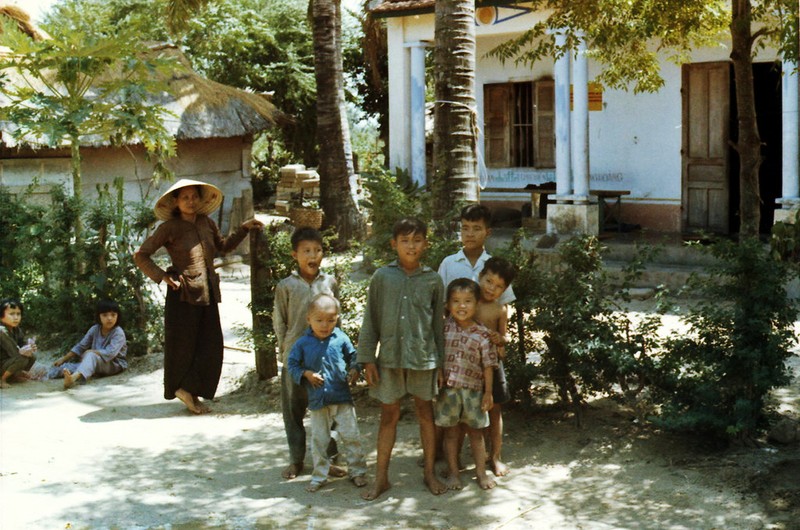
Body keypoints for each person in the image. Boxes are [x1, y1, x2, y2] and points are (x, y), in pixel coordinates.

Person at [134, 179, 263, 414]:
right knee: (183, 345)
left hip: (208, 292)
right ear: (176, 201)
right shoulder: (169, 227)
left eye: (194, 197)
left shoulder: (207, 223)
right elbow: (141, 255)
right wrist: (163, 276)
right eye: (185, 197)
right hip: (182, 294)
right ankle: (182, 390)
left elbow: (223, 247)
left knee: (209, 345)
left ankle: (191, 390)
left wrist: (244, 228)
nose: (191, 201)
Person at [357, 217, 448, 500]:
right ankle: (381, 478)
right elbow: (370, 320)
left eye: (417, 240)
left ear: (426, 244)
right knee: (388, 416)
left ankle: (429, 474)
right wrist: (367, 358)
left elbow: (437, 326)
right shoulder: (383, 277)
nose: (411, 246)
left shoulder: (433, 280)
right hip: (390, 359)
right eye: (405, 240)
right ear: (394, 244)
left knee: (425, 413)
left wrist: (442, 363)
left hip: (423, 359)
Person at [274, 227, 340, 480]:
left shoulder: (329, 282)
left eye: (317, 250)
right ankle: (296, 460)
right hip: (295, 357)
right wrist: (284, 350)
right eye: (306, 251)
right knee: (294, 411)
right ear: (295, 255)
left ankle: (329, 459)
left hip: (325, 358)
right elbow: (279, 319)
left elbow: (338, 317)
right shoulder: (286, 286)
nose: (313, 255)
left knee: (328, 411)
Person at [287, 293, 367, 492]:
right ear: (309, 319)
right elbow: (292, 365)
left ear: (337, 318)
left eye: (331, 320)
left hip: (342, 397)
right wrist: (306, 374)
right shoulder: (302, 343)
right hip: (317, 401)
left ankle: (357, 471)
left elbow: (354, 356)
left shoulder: (340, 337)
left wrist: (355, 369)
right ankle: (319, 476)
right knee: (319, 439)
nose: (325, 325)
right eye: (319, 320)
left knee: (351, 435)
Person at [435, 278, 497, 491]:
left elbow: (489, 365)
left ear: (477, 303)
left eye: (468, 301)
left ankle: (481, 473)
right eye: (456, 301)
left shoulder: (482, 334)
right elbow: (438, 358)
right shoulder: (443, 329)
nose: (462, 306)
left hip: (474, 392)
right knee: (451, 433)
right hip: (449, 391)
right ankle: (453, 472)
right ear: (448, 305)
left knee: (476, 433)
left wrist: (488, 392)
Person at [476, 257, 516, 477]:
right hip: (471, 365)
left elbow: (505, 336)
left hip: (493, 364)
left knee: (495, 410)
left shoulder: (501, 308)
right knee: (475, 411)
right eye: (489, 281)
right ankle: (480, 455)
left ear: (505, 289)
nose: (492, 288)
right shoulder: (470, 301)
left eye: (498, 286)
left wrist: (500, 340)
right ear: (481, 277)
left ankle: (496, 456)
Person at [437, 204, 515, 305]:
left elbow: (503, 305)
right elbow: (440, 302)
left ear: (488, 232)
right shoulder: (448, 263)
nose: (470, 234)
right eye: (465, 228)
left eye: (476, 229)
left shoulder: (496, 266)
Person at [48, 299, 128, 389]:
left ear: (118, 316)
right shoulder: (95, 329)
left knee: (90, 355)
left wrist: (91, 352)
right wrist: (63, 359)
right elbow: (81, 346)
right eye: (105, 315)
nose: (109, 318)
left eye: (113, 315)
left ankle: (72, 379)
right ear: (99, 317)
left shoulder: (118, 332)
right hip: (94, 362)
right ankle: (44, 374)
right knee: (65, 368)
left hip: (114, 365)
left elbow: (110, 353)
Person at [0, 298, 37, 389]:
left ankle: (13, 376)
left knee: (32, 356)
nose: (16, 317)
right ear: (1, 316)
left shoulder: (16, 329)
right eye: (11, 314)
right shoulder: (1, 330)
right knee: (23, 358)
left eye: (18, 314)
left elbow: (22, 344)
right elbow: (14, 352)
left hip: (7, 361)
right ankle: (2, 380)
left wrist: (30, 347)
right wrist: (25, 351)